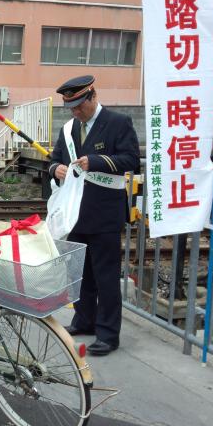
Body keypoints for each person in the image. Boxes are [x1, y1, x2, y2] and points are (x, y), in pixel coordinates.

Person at [49, 75, 140, 356]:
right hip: (75, 215)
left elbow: (130, 160)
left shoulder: (117, 123)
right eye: (71, 108)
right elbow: (53, 159)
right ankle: (84, 319)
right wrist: (56, 170)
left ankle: (108, 333)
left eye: (79, 106)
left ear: (92, 97)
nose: (75, 112)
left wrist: (97, 161)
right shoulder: (68, 130)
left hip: (104, 214)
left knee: (106, 277)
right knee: (80, 274)